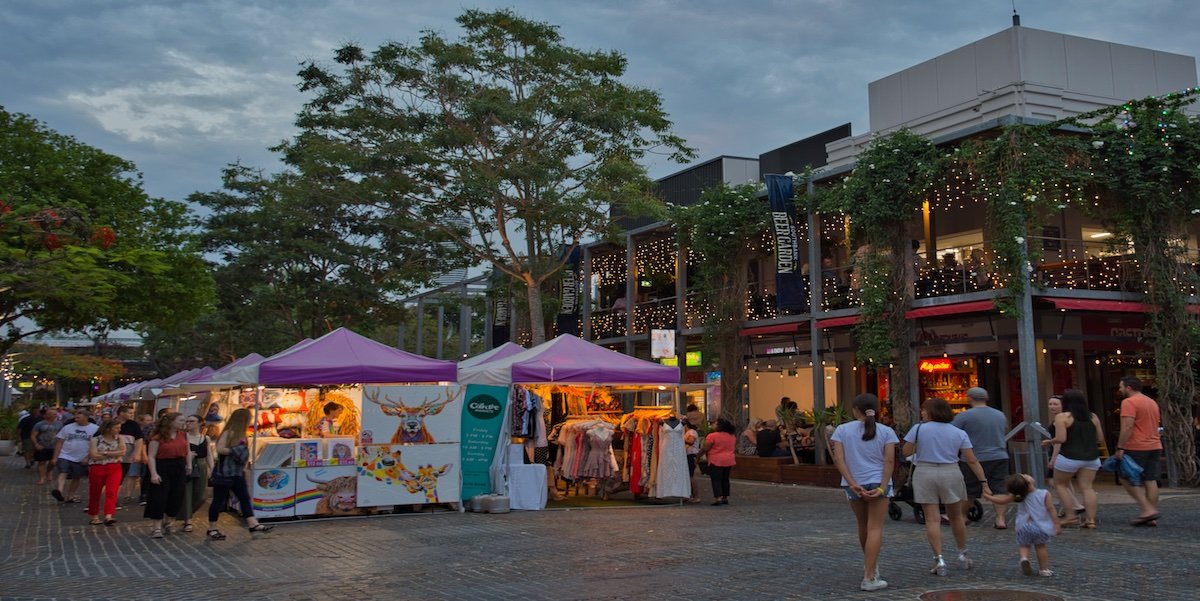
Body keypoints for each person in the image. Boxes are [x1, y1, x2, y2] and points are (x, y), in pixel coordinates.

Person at [902, 398, 990, 576]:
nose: (922, 413)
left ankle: (939, 559)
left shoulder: (918, 429)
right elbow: (971, 460)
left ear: (932, 411)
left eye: (925, 410)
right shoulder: (958, 432)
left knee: (932, 519)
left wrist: (923, 444)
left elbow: (906, 451)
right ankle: (962, 554)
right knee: (956, 516)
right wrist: (984, 482)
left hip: (925, 471)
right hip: (951, 471)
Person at [830, 393, 898, 592]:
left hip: (854, 483)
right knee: (875, 528)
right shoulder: (886, 431)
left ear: (855, 410)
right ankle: (869, 575)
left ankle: (871, 567)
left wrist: (851, 483)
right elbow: (890, 462)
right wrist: (883, 487)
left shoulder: (842, 430)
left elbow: (839, 460)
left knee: (863, 525)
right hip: (879, 481)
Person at [206, 408, 273, 540]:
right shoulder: (228, 433)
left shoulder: (242, 434)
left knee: (244, 497)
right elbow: (219, 449)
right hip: (225, 472)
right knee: (218, 500)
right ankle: (212, 528)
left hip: (237, 472)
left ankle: (253, 523)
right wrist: (235, 451)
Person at [1040, 389, 1102, 529]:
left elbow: (1061, 439)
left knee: (1060, 485)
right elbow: (1100, 438)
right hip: (1091, 457)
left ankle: (1070, 516)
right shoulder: (1093, 417)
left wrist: (1049, 442)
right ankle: (1091, 520)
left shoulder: (1062, 417)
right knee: (1087, 488)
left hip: (1069, 457)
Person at [952, 387, 1011, 529]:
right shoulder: (1000, 415)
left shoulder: (964, 416)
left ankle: (962, 516)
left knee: (969, 489)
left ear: (969, 398)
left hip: (974, 457)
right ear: (986, 398)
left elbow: (953, 433)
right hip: (999, 455)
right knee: (999, 488)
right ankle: (1000, 519)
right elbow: (1005, 430)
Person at [982, 473, 1061, 577]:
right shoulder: (1044, 494)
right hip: (1040, 527)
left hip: (1023, 527)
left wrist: (988, 497)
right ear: (1029, 482)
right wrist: (1056, 523)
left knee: (1024, 545)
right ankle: (1044, 570)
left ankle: (1024, 558)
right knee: (1040, 547)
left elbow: (1001, 501)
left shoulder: (1018, 495)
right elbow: (1051, 509)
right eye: (1025, 475)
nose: (1025, 474)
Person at [1114, 376, 1163, 526]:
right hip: (1154, 445)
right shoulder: (1151, 402)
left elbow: (1128, 426)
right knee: (1150, 479)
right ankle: (1151, 514)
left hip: (1136, 446)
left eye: (1121, 387)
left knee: (1125, 478)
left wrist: (1120, 446)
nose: (1120, 390)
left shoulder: (1128, 402)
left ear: (1128, 388)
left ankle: (1147, 509)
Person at [145, 412, 192, 538]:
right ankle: (156, 527)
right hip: (162, 466)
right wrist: (153, 473)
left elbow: (187, 451)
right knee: (159, 496)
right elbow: (151, 456)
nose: (184, 423)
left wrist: (189, 465)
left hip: (179, 466)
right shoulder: (158, 437)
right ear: (171, 422)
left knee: (176, 495)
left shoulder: (183, 435)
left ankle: (169, 521)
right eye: (181, 420)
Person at [1045, 395, 1085, 520]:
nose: (1052, 406)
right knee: (1066, 483)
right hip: (1064, 454)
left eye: (1055, 404)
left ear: (1063, 405)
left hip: (1060, 454)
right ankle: (1067, 507)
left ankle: (1075, 505)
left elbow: (1059, 441)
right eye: (1050, 404)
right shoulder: (1063, 418)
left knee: (1054, 481)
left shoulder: (1060, 419)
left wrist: (1053, 458)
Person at [175, 414, 214, 532]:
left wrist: (212, 468)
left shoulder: (205, 438)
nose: (188, 423)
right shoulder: (183, 436)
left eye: (192, 421)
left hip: (201, 465)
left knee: (201, 494)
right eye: (187, 421)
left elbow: (209, 454)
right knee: (187, 492)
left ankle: (185, 513)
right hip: (188, 465)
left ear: (200, 423)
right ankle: (188, 520)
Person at [52, 409, 99, 504]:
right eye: (75, 417)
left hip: (82, 456)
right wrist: (55, 457)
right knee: (63, 472)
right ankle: (59, 491)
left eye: (78, 417)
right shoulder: (67, 427)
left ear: (86, 417)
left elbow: (96, 445)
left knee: (76, 477)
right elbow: (60, 442)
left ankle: (70, 495)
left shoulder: (95, 428)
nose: (76, 419)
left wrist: (88, 457)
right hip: (65, 454)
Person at [86, 420, 126, 526]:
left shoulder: (120, 439)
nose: (119, 430)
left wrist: (105, 453)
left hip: (114, 467)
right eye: (117, 428)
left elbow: (122, 452)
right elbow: (93, 455)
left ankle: (109, 515)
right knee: (95, 492)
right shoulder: (96, 440)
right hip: (98, 467)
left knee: (112, 491)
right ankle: (94, 516)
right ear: (108, 429)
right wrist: (114, 454)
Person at [697, 418, 737, 506]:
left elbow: (706, 448)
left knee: (716, 479)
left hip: (716, 459)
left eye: (714, 424)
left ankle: (718, 497)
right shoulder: (731, 435)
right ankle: (725, 497)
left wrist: (698, 456)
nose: (712, 425)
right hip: (729, 459)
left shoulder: (712, 436)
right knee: (725, 479)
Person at [31, 408, 62, 486]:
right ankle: (42, 477)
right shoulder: (39, 424)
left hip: (54, 447)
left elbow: (62, 435)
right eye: (53, 414)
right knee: (41, 462)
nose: (55, 415)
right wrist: (36, 444)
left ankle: (48, 471)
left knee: (53, 462)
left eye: (56, 414)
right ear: (48, 415)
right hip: (42, 445)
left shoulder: (59, 424)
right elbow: (33, 435)